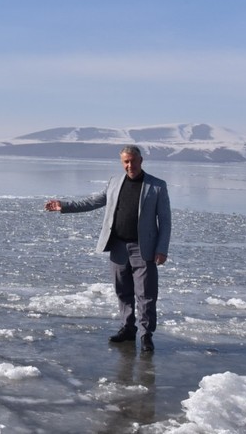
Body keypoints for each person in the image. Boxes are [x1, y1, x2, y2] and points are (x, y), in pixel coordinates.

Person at [45, 145, 171, 352]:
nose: (129, 165)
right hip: (118, 246)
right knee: (123, 291)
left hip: (144, 248)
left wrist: (162, 248)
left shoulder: (157, 186)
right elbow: (93, 201)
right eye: (125, 161)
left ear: (141, 160)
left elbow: (165, 221)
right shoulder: (114, 183)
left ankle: (146, 334)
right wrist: (64, 206)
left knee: (146, 294)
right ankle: (127, 329)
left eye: (132, 161)